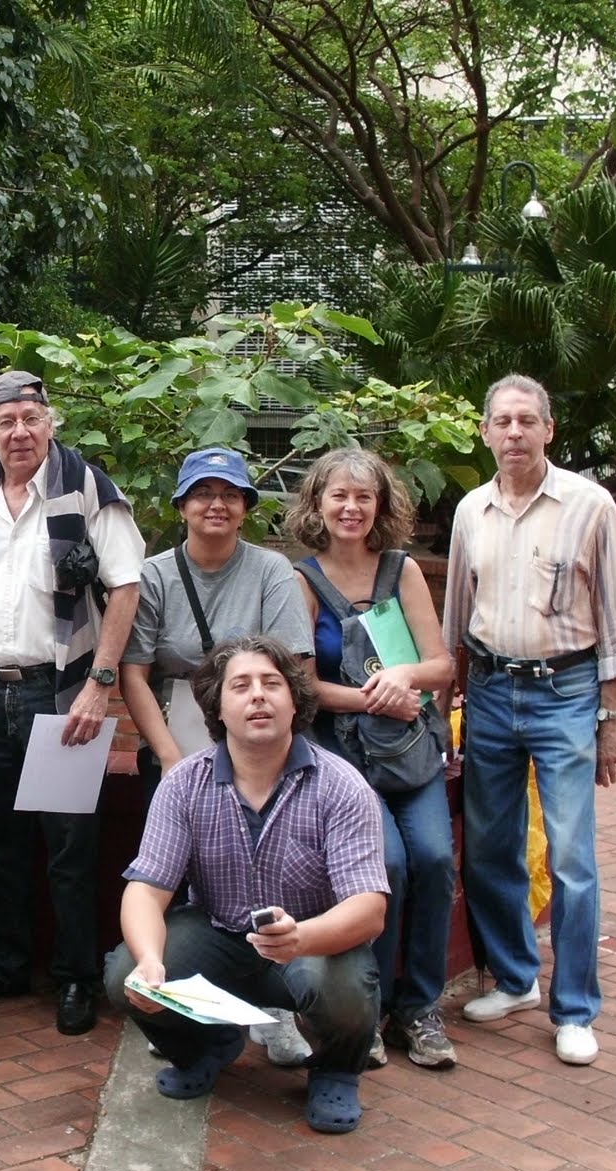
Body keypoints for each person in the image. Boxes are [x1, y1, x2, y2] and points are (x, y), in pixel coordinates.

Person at [0, 369, 144, 1037]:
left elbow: (126, 588)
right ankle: (4, 964)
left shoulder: (88, 490)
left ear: (51, 424)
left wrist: (99, 685)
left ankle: (76, 976)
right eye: (5, 421)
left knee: (68, 843)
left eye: (31, 418)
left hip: (63, 690)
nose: (19, 432)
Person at [104, 635, 387, 1135]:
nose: (258, 695)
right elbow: (146, 888)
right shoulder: (184, 784)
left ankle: (336, 1071)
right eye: (241, 686)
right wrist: (149, 961)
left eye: (272, 683)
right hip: (219, 934)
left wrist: (300, 937)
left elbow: (369, 908)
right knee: (125, 973)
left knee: (343, 987)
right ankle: (205, 1048)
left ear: (294, 701)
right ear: (217, 708)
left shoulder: (342, 785)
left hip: (311, 942)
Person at [442, 373, 616, 1067]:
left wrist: (612, 718)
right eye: (503, 421)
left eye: (528, 420)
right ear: (486, 432)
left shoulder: (590, 506)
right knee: (491, 847)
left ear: (549, 429)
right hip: (490, 691)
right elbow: (456, 616)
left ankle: (576, 1008)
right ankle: (516, 978)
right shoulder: (471, 511)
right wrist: (448, 701)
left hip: (567, 692)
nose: (515, 432)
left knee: (572, 856)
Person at [119, 446, 314, 1067]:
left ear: (246, 507)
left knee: (267, 862)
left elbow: (291, 669)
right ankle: (186, 1008)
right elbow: (134, 672)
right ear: (181, 505)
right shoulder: (154, 575)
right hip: (176, 731)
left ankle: (276, 1007)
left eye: (230, 494)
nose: (216, 505)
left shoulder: (272, 572)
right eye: (203, 493)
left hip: (259, 735)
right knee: (174, 877)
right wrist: (171, 759)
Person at [287, 447, 457, 1070]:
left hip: (409, 751)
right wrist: (372, 697)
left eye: (364, 496)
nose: (351, 507)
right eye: (339, 495)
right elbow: (303, 686)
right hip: (344, 758)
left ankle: (420, 1007)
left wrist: (404, 677)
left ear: (380, 505)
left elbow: (441, 665)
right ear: (318, 504)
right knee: (386, 864)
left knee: (434, 859)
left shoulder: (402, 570)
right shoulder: (303, 581)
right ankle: (371, 1004)